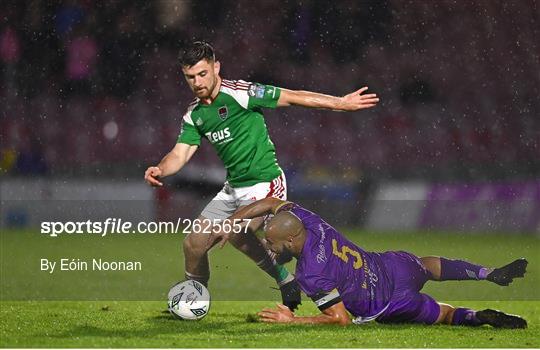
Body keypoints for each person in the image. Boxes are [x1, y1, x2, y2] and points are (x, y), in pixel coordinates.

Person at [144, 41, 380, 310]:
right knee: (193, 244)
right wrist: (161, 168)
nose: (197, 82)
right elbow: (180, 153)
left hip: (265, 183)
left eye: (202, 74)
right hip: (233, 188)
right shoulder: (195, 114)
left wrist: (340, 103)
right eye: (190, 77)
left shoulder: (241, 93)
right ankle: (193, 301)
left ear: (216, 67)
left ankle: (307, 281)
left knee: (236, 230)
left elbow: (293, 96)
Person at [210, 197, 528, 328]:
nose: (269, 248)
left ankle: (476, 316)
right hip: (391, 266)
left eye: (273, 244)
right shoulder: (310, 221)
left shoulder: (310, 274)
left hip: (390, 303)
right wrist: (234, 220)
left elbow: (340, 319)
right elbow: (271, 204)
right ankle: (489, 273)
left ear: (292, 241)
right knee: (428, 265)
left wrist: (293, 322)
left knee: (444, 314)